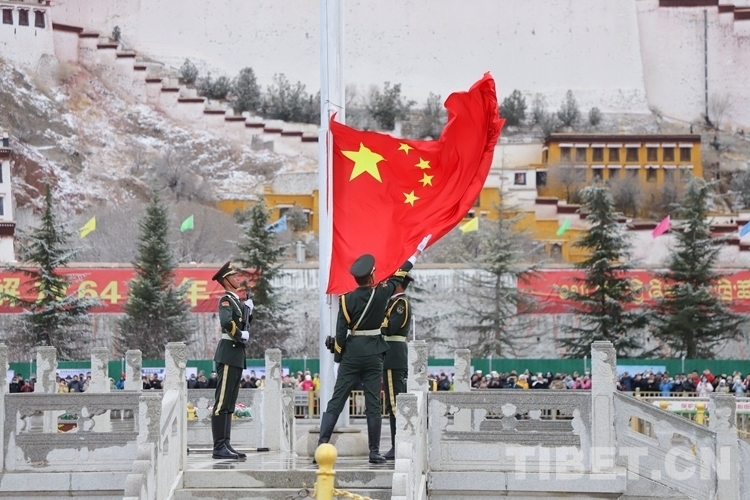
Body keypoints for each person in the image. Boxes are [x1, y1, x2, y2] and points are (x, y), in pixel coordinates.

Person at [317, 235, 429, 464]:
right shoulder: (382, 293)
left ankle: (322, 444)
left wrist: (338, 358)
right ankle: (374, 451)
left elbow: (341, 332)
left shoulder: (346, 300)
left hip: (351, 353)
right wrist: (416, 253)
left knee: (337, 399)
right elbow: (400, 273)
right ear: (372, 275)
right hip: (374, 353)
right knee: (373, 402)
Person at [210, 261, 253, 460]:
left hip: (236, 355)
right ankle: (219, 446)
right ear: (226, 280)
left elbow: (242, 323)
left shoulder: (237, 301)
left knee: (229, 403)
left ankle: (226, 444)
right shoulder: (226, 300)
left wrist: (248, 312)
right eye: (234, 276)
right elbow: (227, 322)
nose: (238, 278)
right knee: (222, 402)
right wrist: (239, 334)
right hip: (228, 353)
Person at [380, 274, 413, 460]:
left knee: (395, 403)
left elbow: (390, 327)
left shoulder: (401, 304)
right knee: (392, 402)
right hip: (390, 355)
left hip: (394, 356)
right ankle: (397, 443)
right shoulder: (392, 303)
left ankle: (398, 444)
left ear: (399, 284)